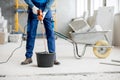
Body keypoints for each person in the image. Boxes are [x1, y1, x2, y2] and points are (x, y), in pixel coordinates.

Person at [21, 0, 60, 65]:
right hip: (33, 8)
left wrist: (45, 11)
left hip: (46, 8)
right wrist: (32, 6)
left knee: (50, 33)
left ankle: (53, 57)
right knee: (31, 33)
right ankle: (28, 57)